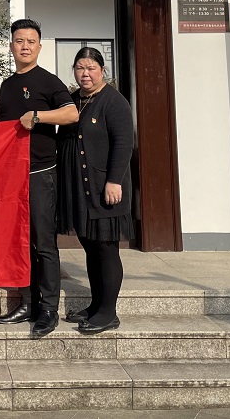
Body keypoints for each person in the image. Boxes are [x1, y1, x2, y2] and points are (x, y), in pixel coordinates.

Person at [0, 18, 78, 339]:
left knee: (43, 243)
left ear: (39, 47)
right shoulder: (6, 85)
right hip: (12, 176)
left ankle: (48, 309)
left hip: (41, 172)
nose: (25, 46)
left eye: (31, 41)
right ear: (11, 46)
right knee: (19, 241)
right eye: (19, 41)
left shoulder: (47, 81)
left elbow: (71, 113)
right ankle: (27, 302)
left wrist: (39, 116)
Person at [57, 46, 135, 334]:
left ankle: (108, 312)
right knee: (90, 246)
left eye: (91, 68)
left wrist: (114, 180)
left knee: (106, 248)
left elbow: (124, 143)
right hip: (80, 188)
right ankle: (96, 304)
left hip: (105, 188)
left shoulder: (114, 101)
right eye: (80, 68)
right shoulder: (74, 100)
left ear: (102, 71)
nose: (85, 73)